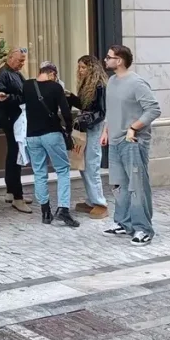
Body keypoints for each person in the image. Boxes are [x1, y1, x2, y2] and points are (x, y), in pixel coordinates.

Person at [102, 44, 161, 245]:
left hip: (133, 142)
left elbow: (153, 109)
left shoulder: (137, 83)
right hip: (115, 141)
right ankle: (123, 223)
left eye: (109, 57)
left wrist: (133, 128)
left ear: (119, 61)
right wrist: (106, 130)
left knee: (137, 186)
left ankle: (143, 229)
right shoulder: (111, 81)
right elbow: (111, 110)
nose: (105, 60)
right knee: (120, 185)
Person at [22, 63, 78, 227]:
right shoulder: (55, 87)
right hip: (52, 134)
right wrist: (68, 129)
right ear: (52, 74)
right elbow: (66, 111)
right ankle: (63, 210)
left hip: (32, 135)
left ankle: (45, 212)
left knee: (39, 172)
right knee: (62, 169)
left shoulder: (27, 85)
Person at [68, 55, 108, 219]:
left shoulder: (100, 85)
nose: (80, 70)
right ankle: (92, 200)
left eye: (83, 67)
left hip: (93, 126)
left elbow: (101, 111)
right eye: (79, 67)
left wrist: (87, 118)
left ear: (92, 68)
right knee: (84, 164)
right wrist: (71, 97)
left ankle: (100, 203)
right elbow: (85, 105)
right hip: (85, 125)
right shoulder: (86, 84)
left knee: (92, 164)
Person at [0, 48, 32, 213]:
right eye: (19, 60)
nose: (22, 64)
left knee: (14, 154)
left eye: (23, 61)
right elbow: (0, 97)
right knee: (16, 155)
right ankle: (17, 196)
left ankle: (11, 192)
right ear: (9, 58)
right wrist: (18, 99)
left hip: (15, 118)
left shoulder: (14, 73)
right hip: (11, 119)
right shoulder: (3, 74)